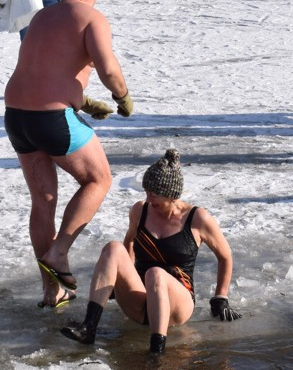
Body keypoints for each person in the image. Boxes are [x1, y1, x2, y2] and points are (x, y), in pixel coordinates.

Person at [3, 0, 133, 309]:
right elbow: (107, 68)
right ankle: (59, 253)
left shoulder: (43, 16)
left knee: (43, 202)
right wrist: (122, 97)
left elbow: (42, 67)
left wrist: (84, 101)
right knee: (99, 179)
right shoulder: (93, 18)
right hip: (51, 118)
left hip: (16, 116)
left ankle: (53, 290)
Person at [60, 148, 241, 354]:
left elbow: (225, 256)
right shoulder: (140, 210)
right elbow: (127, 245)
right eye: (146, 191)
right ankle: (88, 327)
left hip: (177, 303)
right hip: (141, 300)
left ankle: (157, 351)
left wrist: (221, 297)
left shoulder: (198, 218)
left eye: (154, 194)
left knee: (156, 274)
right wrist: (119, 280)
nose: (148, 197)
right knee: (113, 247)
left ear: (171, 195)